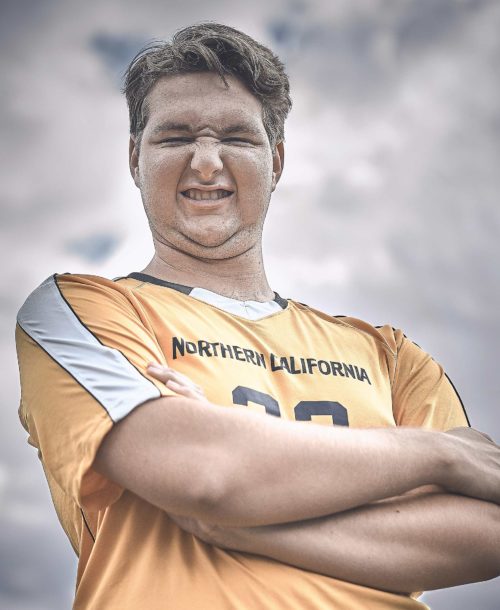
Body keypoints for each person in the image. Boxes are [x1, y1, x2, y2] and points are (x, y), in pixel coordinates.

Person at [15, 22, 500, 610]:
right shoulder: (83, 310)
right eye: (175, 138)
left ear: (275, 161)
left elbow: (483, 535)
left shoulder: (393, 356)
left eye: (236, 139)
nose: (206, 162)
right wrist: (436, 454)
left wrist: (241, 525)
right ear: (133, 158)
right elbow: (205, 473)